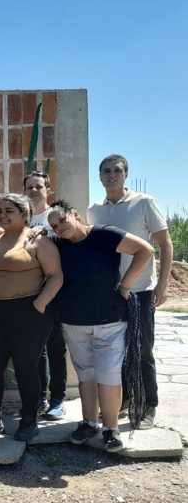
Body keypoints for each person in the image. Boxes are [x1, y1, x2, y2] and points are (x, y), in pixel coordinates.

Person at [48, 201, 153, 451]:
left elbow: (145, 250)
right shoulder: (58, 244)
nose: (59, 227)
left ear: (75, 215)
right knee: (86, 376)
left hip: (110, 321)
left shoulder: (105, 234)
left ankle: (111, 429)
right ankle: (89, 423)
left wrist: (126, 284)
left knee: (109, 376)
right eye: (54, 225)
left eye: (62, 220)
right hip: (73, 322)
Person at [87, 154, 173, 429]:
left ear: (126, 174)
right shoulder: (94, 210)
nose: (112, 175)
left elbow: (165, 244)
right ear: (100, 177)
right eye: (106, 171)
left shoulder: (144, 203)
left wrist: (162, 284)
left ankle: (147, 405)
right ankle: (123, 401)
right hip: (109, 294)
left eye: (117, 170)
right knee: (115, 352)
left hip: (139, 292)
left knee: (142, 349)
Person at [0, 194, 63, 442]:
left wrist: (39, 305)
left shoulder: (37, 239)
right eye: (0, 210)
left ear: (24, 214)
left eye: (9, 211)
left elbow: (55, 275)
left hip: (28, 313)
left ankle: (29, 420)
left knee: (25, 367)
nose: (2, 215)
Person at [23, 171, 68, 420]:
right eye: (29, 187)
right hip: (29, 292)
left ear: (48, 190)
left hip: (56, 291)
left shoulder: (55, 217)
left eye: (38, 186)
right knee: (34, 350)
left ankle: (57, 399)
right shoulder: (22, 218)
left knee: (55, 348)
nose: (33, 191)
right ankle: (38, 397)